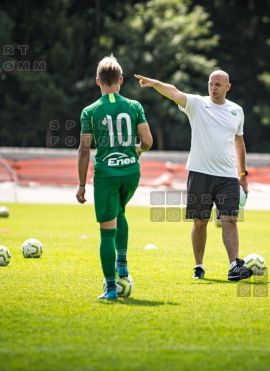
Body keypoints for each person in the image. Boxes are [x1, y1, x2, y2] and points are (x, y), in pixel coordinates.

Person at [135, 71, 253, 281]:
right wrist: (155, 83)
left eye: (218, 84)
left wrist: (242, 173)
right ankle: (199, 266)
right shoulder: (197, 104)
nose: (213, 87)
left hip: (227, 177)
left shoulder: (237, 111)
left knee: (230, 219)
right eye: (211, 84)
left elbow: (239, 142)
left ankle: (234, 266)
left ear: (228, 87)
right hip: (200, 173)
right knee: (200, 221)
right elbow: (174, 92)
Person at [76, 55, 153, 300]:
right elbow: (148, 142)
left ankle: (110, 289)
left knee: (106, 231)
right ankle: (122, 265)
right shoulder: (134, 106)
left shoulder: (89, 111)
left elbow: (84, 149)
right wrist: (136, 153)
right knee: (120, 212)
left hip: (106, 174)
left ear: (97, 81)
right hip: (131, 172)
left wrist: (80, 184)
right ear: (120, 80)